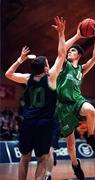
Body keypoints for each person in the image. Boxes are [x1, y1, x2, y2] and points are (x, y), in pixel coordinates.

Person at [5, 16, 66, 180]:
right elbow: (62, 55)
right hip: (44, 124)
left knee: (24, 158)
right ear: (46, 68)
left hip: (27, 123)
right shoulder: (51, 77)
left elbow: (8, 74)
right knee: (42, 159)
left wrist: (20, 59)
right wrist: (61, 33)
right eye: (48, 63)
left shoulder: (27, 78)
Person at [56, 22, 95, 180]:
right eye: (70, 50)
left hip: (77, 101)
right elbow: (61, 50)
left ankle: (90, 136)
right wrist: (76, 35)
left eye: (73, 50)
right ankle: (75, 164)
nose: (69, 51)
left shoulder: (81, 69)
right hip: (63, 107)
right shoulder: (64, 65)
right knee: (70, 144)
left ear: (79, 55)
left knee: (91, 110)